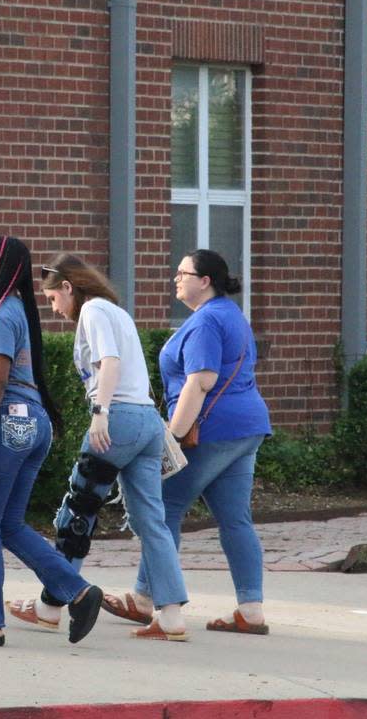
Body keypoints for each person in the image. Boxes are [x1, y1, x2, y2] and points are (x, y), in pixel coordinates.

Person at [7, 253, 190, 641]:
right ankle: (172, 616)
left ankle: (51, 605)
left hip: (119, 416)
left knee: (79, 509)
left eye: (55, 299)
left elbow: (110, 362)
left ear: (69, 288)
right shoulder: (118, 312)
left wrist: (100, 413)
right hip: (145, 420)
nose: (55, 309)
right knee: (150, 521)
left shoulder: (92, 312)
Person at [0, 236, 103, 647]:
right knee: (9, 525)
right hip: (36, 425)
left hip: (6, 426)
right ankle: (78, 592)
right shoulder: (17, 311)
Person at [102, 248, 273, 635]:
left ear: (205, 281)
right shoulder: (232, 316)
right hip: (246, 428)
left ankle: (149, 601)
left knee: (163, 508)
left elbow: (200, 382)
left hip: (210, 431)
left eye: (183, 273)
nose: (176, 278)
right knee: (235, 519)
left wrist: (172, 439)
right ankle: (251, 609)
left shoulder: (206, 322)